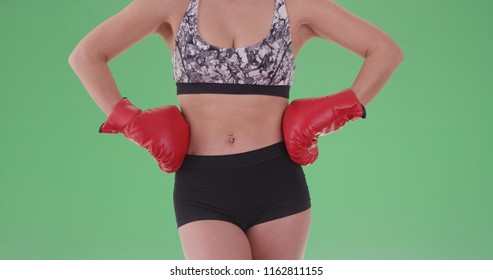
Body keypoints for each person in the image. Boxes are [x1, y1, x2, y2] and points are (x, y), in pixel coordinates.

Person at [68, 0, 403, 260]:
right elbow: (86, 56)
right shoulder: (176, 4)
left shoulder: (295, 5)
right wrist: (131, 122)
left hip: (278, 183)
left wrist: (336, 111)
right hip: (203, 188)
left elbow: (385, 51)